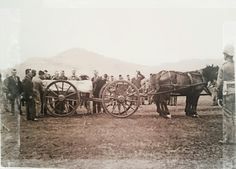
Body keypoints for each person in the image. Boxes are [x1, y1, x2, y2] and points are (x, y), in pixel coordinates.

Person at [217, 44, 235, 144]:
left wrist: (218, 96)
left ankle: (228, 139)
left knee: (227, 116)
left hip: (227, 93)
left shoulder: (223, 67)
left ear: (226, 55)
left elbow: (219, 83)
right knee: (235, 115)